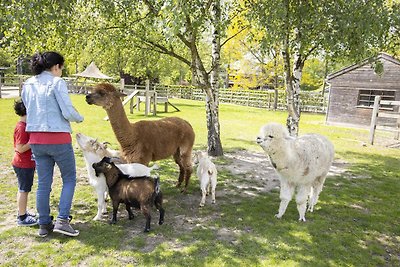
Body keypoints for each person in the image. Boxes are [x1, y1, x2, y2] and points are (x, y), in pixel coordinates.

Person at [22, 51, 84, 237]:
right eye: (61, 68)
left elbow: (28, 106)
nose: (61, 72)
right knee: (70, 179)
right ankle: (62, 220)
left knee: (43, 183)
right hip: (58, 138)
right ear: (56, 66)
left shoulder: (28, 84)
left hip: (36, 139)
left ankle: (44, 223)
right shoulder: (57, 82)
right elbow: (67, 110)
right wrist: (79, 118)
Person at [12, 99, 37, 227]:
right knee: (24, 190)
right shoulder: (22, 128)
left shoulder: (24, 126)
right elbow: (20, 148)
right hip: (23, 164)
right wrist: (34, 140)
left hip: (26, 164)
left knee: (24, 189)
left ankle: (23, 212)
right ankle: (22, 217)